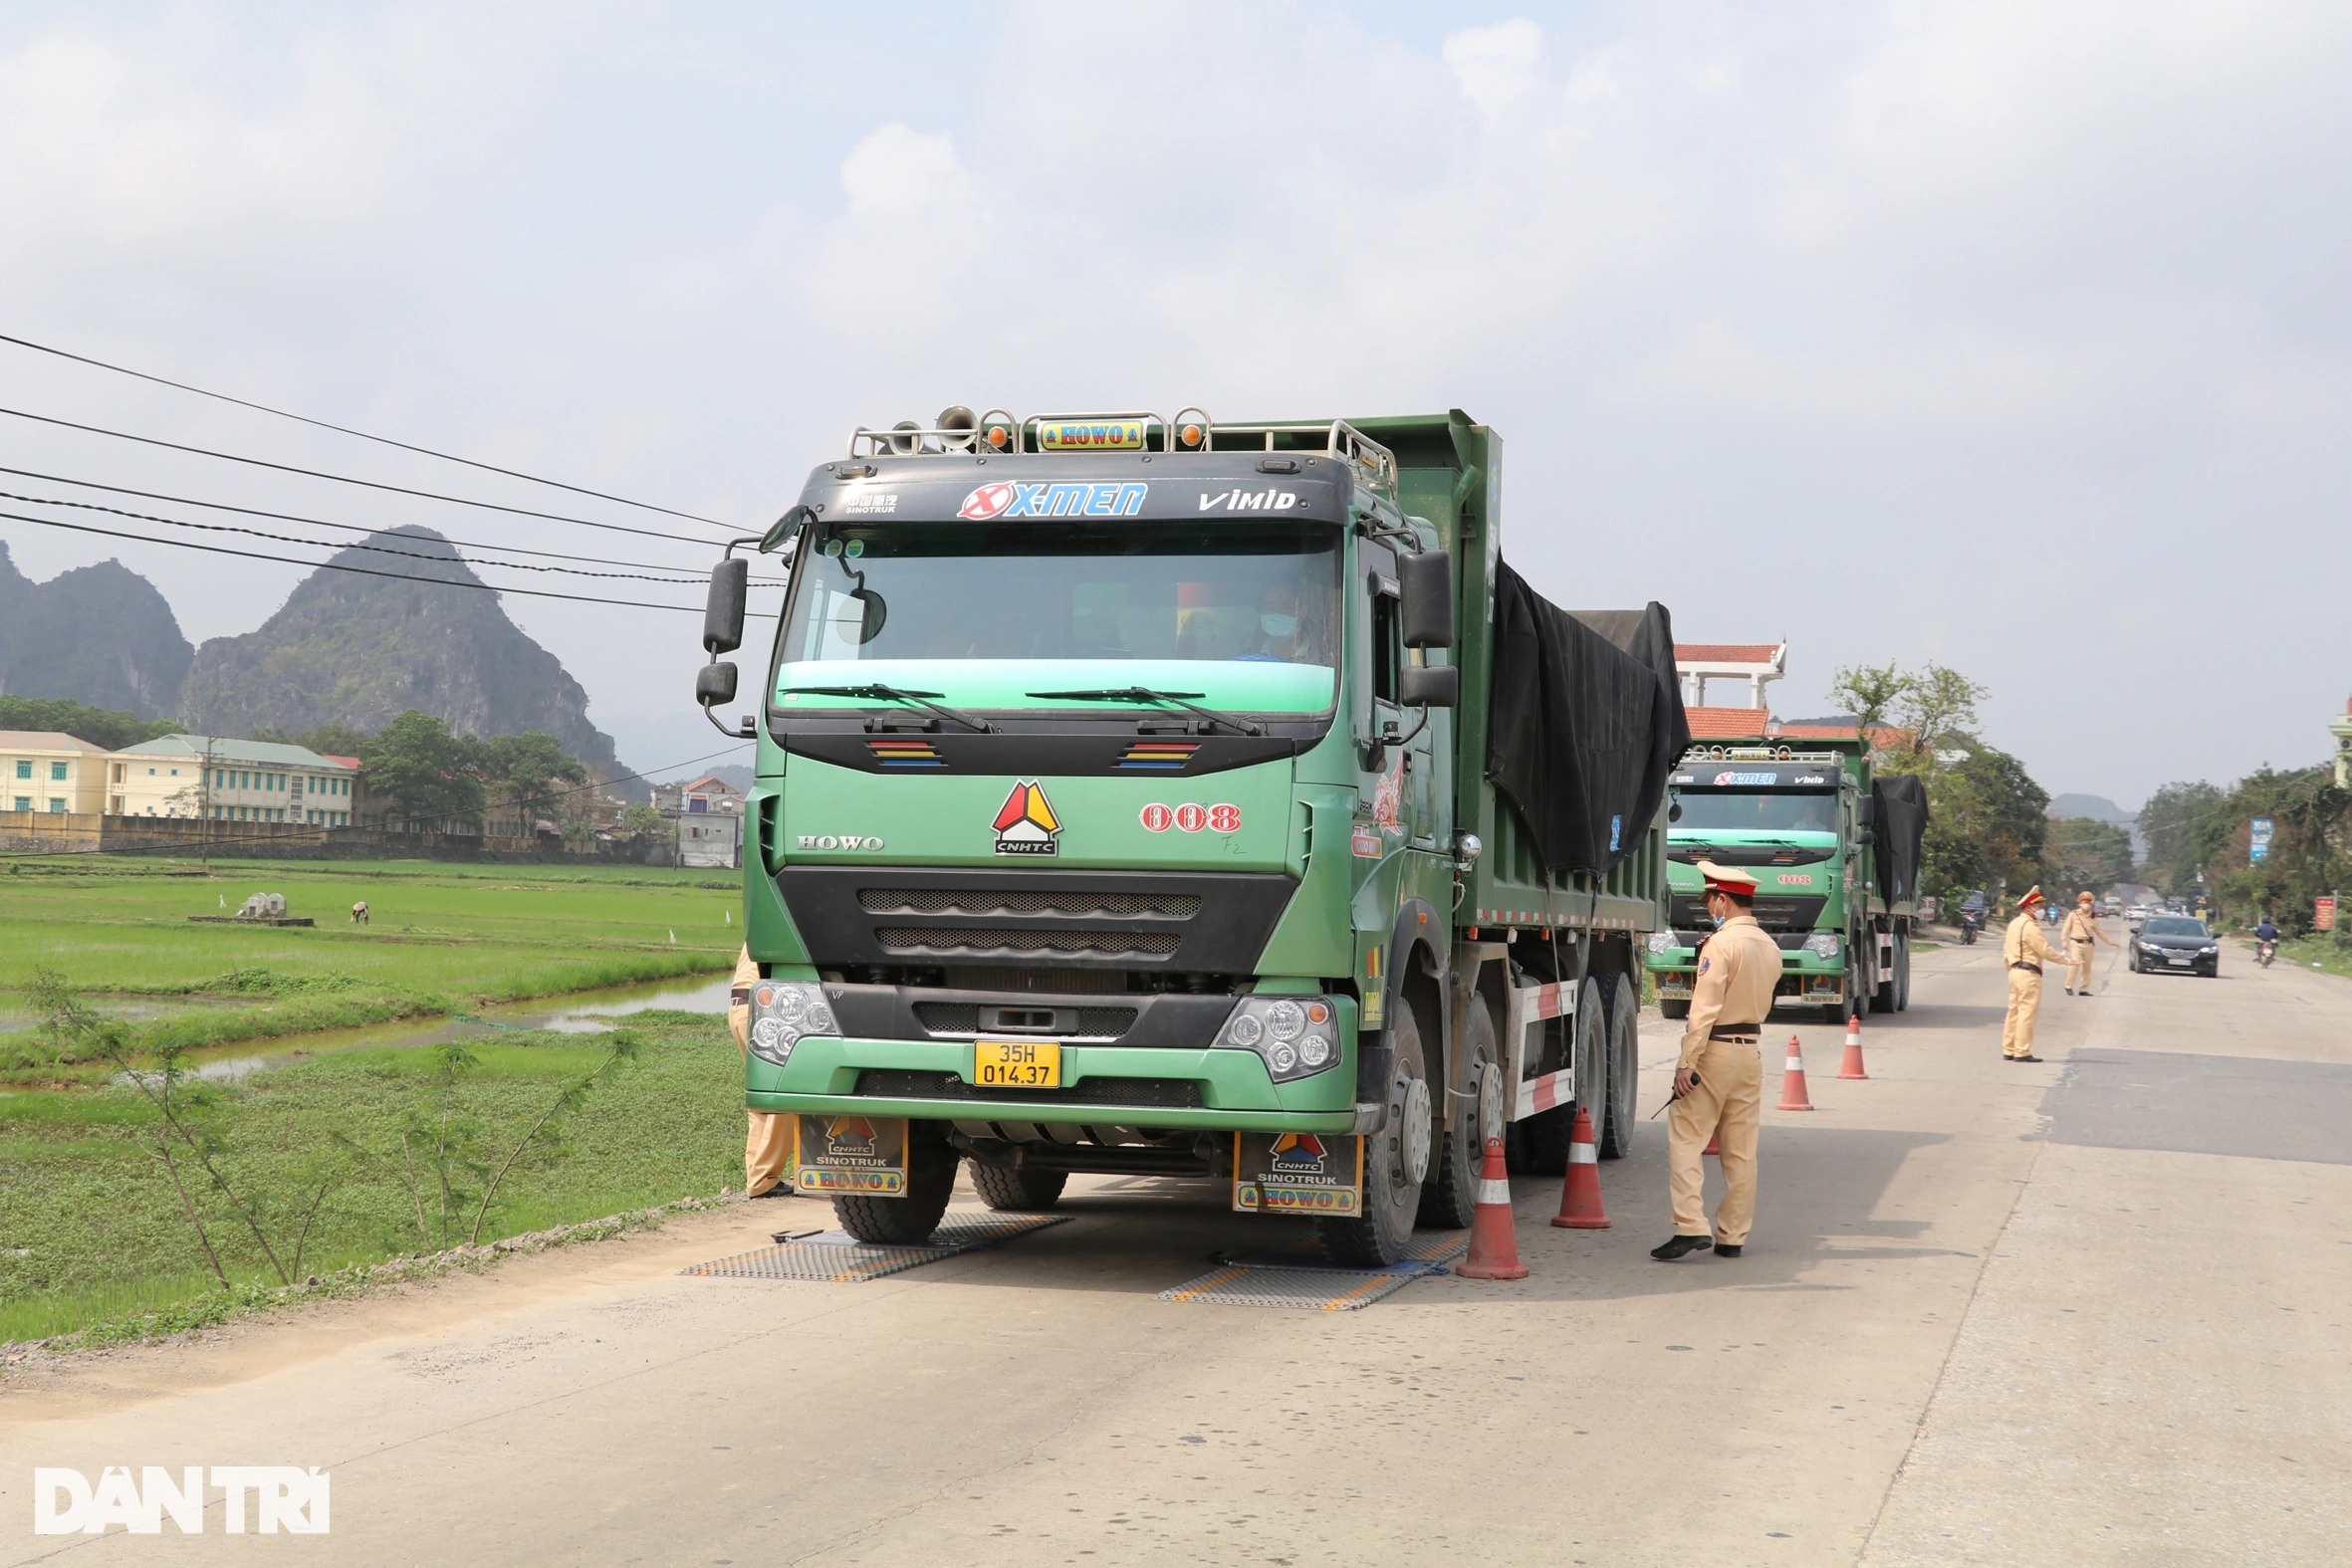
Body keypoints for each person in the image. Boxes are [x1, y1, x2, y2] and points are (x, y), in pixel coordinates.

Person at [1653, 861, 1781, 1262]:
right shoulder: (1769, 946)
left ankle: (1690, 1226)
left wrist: (1686, 1063)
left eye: (1711, 900)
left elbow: (1703, 1010)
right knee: (1741, 1150)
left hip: (1716, 1051)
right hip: (1750, 1052)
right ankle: (1733, 1236)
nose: (1710, 907)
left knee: (1687, 1138)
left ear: (1723, 900)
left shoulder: (1721, 945)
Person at [728, 945, 795, 1198]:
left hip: (738, 1008)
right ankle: (764, 1178)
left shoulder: (761, 924)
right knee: (784, 1095)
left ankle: (757, 1177)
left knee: (761, 1098)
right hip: (762, 1010)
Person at [2001, 887, 2068, 1061]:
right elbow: (2044, 950)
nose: (2041, 909)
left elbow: (2006, 950)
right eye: (2039, 906)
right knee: (2026, 1013)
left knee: (2014, 1012)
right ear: (2030, 907)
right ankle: (2022, 1051)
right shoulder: (2029, 926)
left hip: (2015, 971)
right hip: (2028, 973)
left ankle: (2009, 1049)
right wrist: (2065, 960)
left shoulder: (2014, 923)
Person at [2060, 891, 2115, 997]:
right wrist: (2064, 943)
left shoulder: (2092, 917)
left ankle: (2083, 989)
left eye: (2088, 902)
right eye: (2084, 901)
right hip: (2076, 943)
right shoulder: (2073, 914)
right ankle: (2068, 986)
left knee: (2087, 967)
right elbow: (2065, 930)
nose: (2086, 904)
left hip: (2088, 945)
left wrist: (2110, 941)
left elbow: (2099, 932)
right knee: (2075, 964)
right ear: (2080, 903)